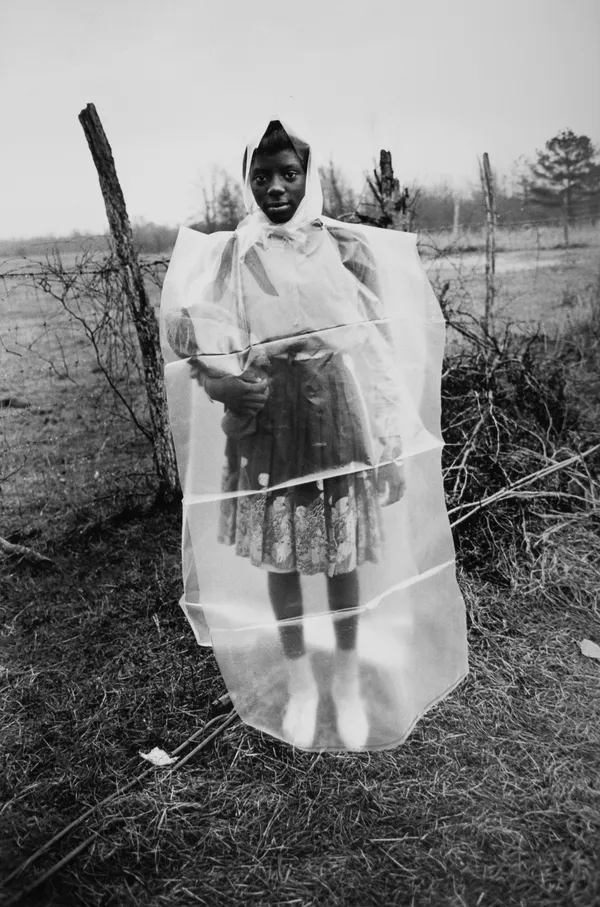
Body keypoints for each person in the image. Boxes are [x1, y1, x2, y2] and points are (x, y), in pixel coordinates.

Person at [161, 119, 468, 751]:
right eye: (262, 176)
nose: (276, 188)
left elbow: (379, 345)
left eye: (289, 174)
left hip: (336, 414)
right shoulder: (233, 256)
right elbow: (191, 333)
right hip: (270, 423)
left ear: (309, 177)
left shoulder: (343, 247)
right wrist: (223, 385)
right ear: (248, 182)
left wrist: (389, 439)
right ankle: (302, 682)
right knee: (282, 556)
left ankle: (347, 683)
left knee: (340, 552)